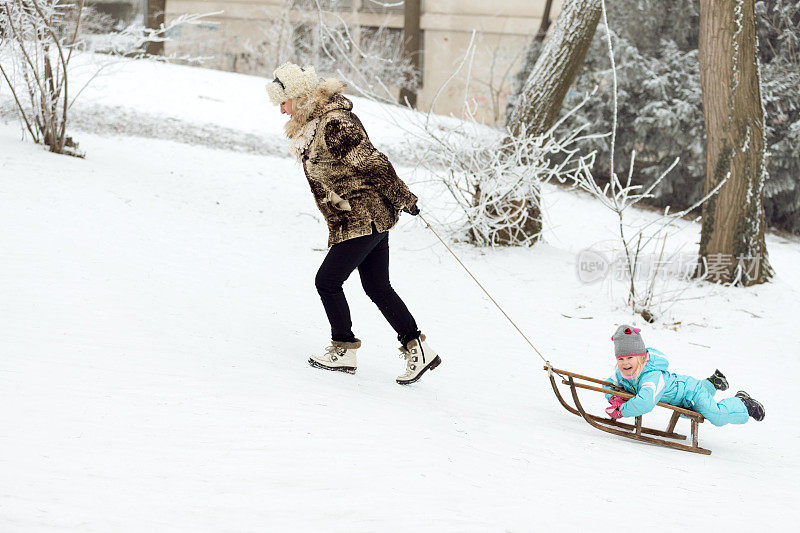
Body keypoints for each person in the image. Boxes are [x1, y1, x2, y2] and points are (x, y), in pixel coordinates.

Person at [265, 62, 441, 385]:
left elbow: (373, 161)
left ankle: (344, 347)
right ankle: (417, 347)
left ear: (298, 96)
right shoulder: (314, 125)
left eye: (283, 102)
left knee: (327, 281)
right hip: (362, 218)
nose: (281, 110)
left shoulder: (334, 123)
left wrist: (404, 196)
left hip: (362, 217)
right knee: (377, 286)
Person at [604, 325, 765, 425]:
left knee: (717, 416)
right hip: (681, 393)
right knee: (695, 404)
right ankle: (712, 383)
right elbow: (607, 384)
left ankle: (743, 403)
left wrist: (622, 410)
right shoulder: (622, 373)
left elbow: (646, 402)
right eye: (621, 359)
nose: (625, 363)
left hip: (691, 391)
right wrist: (614, 398)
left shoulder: (651, 376)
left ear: (640, 357)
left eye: (630, 358)